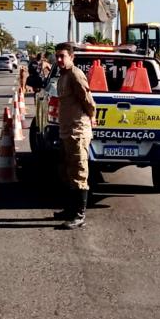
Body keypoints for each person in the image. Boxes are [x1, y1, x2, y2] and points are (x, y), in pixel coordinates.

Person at [53, 43, 97, 229]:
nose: (59, 59)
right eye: (57, 56)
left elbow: (87, 99)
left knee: (79, 171)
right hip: (66, 131)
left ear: (72, 57)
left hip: (78, 131)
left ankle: (79, 215)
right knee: (67, 172)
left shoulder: (75, 75)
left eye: (62, 56)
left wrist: (92, 116)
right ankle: (70, 209)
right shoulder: (63, 76)